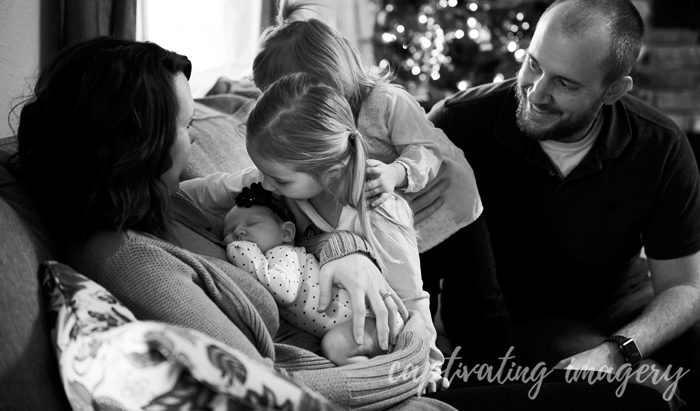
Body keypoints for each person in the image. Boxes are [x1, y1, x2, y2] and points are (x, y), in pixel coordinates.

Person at [13, 35, 672, 411]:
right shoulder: (129, 259)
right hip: (381, 388)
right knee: (626, 405)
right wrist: (408, 369)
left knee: (626, 398)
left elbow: (264, 199)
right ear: (139, 142)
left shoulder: (162, 205)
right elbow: (263, 388)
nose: (194, 141)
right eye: (186, 126)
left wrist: (344, 252)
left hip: (382, 354)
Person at [428, 0, 700, 408]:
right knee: (642, 391)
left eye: (565, 84)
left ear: (613, 91)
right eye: (533, 64)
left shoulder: (660, 146)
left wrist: (618, 350)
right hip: (509, 319)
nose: (536, 92)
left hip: (617, 305)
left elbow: (685, 286)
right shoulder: (459, 125)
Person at [250, 0, 513, 362]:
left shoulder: (387, 103)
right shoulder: (314, 139)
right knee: (419, 295)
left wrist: (396, 172)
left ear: (327, 83)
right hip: (402, 226)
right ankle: (436, 365)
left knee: (477, 303)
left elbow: (428, 150)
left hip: (450, 208)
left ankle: (502, 369)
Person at [185, 72, 446, 391]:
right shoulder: (274, 180)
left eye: (279, 180)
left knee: (337, 345)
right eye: (263, 173)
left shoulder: (380, 211)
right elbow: (206, 191)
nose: (265, 185)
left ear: (331, 170)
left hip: (375, 327)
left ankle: (387, 381)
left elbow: (412, 302)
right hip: (320, 320)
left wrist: (429, 364)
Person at [223, 181, 398, 366]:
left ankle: (384, 374)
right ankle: (383, 367)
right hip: (359, 323)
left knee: (335, 346)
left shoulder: (283, 253)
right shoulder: (269, 260)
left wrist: (240, 251)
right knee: (336, 346)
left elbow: (284, 292)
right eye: (228, 231)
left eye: (252, 223)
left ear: (287, 233)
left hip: (372, 319)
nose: (238, 232)